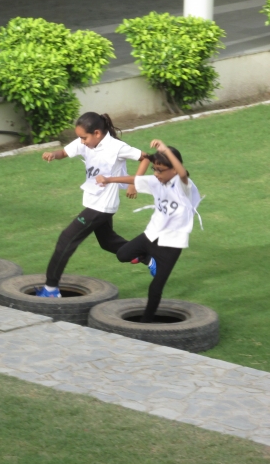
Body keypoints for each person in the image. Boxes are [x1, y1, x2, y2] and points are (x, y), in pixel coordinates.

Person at [38, 112, 146, 297]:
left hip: (102, 205)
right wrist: (53, 155)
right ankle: (146, 255)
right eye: (80, 138)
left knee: (66, 238)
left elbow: (146, 157)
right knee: (107, 241)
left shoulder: (116, 147)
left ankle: (50, 289)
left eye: (84, 138)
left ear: (97, 133)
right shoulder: (85, 143)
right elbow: (64, 152)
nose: (81, 142)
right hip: (93, 200)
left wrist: (134, 183)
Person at [95, 140, 202, 323]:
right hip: (151, 234)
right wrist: (108, 179)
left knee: (155, 287)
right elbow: (134, 180)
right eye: (154, 169)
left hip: (171, 244)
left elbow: (183, 173)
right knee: (122, 254)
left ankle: (146, 322)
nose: (156, 174)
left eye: (160, 170)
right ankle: (148, 259)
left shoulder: (183, 185)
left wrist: (166, 149)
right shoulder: (156, 181)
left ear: (174, 170)